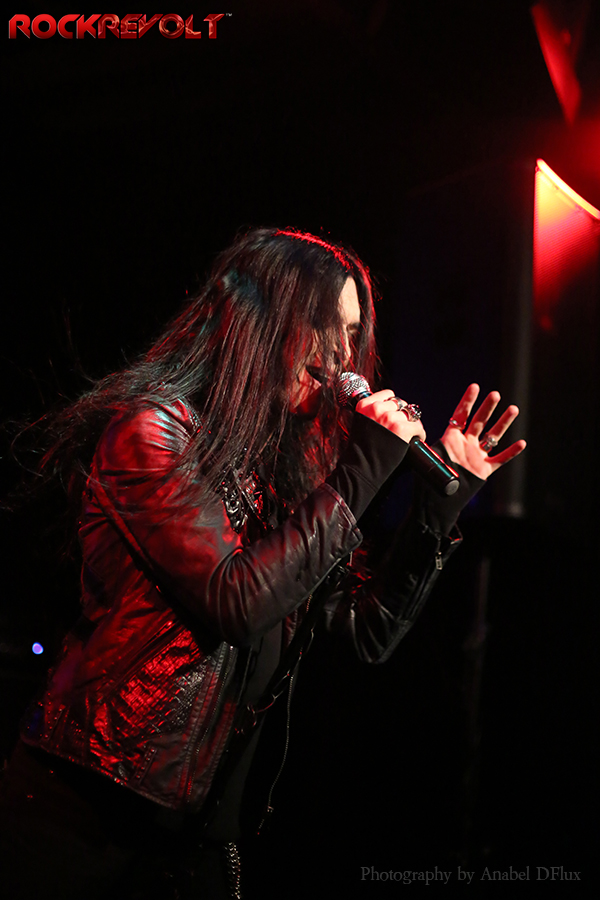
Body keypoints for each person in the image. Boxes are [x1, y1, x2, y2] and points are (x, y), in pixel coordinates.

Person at [0, 227, 525, 899]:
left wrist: (437, 508)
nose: (342, 356)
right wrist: (361, 472)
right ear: (258, 321)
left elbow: (365, 631)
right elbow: (237, 601)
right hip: (86, 813)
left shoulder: (289, 476)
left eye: (351, 333)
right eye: (322, 325)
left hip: (199, 836)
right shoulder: (153, 432)